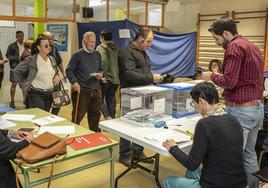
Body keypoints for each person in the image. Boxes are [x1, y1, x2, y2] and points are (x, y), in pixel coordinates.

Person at [202, 18, 264, 188]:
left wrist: (211, 76)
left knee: (231, 158)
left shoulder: (234, 47)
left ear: (226, 33)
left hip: (242, 111)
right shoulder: (251, 46)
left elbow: (229, 81)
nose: (216, 43)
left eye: (216, 38)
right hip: (256, 109)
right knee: (249, 154)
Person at [162, 82, 247, 188]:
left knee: (168, 181)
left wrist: (173, 148)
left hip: (216, 184)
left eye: (194, 103)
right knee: (191, 173)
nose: (195, 108)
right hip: (239, 182)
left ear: (202, 101)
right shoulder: (233, 119)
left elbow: (191, 164)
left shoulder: (204, 124)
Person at [118, 28, 163, 167]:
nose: (150, 44)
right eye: (148, 41)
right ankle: (125, 154)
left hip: (143, 93)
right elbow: (129, 74)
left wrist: (152, 77)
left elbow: (142, 72)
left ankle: (138, 152)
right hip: (130, 94)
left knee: (142, 122)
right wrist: (151, 77)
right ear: (140, 40)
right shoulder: (126, 52)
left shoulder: (143, 52)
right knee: (127, 124)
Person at [66, 31, 103, 132]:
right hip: (81, 90)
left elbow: (100, 69)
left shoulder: (97, 54)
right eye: (90, 42)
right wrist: (74, 82)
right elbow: (69, 70)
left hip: (95, 89)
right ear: (84, 42)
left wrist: (100, 74)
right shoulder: (77, 55)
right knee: (78, 115)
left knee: (95, 116)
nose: (93, 44)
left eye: (94, 42)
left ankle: (96, 135)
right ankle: (72, 135)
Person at [13, 37, 60, 112]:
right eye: (46, 46)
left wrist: (57, 76)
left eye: (50, 45)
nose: (49, 47)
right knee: (40, 116)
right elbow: (16, 71)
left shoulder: (52, 59)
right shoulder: (31, 60)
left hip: (50, 93)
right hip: (36, 94)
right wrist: (23, 84)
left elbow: (55, 71)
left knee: (46, 116)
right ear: (39, 47)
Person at [96, 29, 119, 119]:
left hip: (106, 79)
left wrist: (102, 74)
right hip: (116, 79)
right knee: (111, 100)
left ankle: (107, 116)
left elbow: (103, 62)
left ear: (102, 38)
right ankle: (112, 122)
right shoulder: (117, 48)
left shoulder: (101, 47)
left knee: (99, 99)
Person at [43, 31, 67, 116]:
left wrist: (63, 73)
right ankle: (45, 116)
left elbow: (59, 62)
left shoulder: (54, 48)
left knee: (58, 100)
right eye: (48, 39)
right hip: (45, 80)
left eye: (51, 38)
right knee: (47, 102)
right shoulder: (40, 48)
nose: (51, 40)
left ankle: (54, 116)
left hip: (56, 78)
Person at [6, 30, 25, 109]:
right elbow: (7, 55)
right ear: (16, 37)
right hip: (15, 67)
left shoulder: (25, 45)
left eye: (22, 35)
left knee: (25, 85)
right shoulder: (12, 46)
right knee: (14, 84)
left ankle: (25, 99)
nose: (21, 37)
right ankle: (12, 101)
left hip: (24, 68)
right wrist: (16, 58)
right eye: (20, 36)